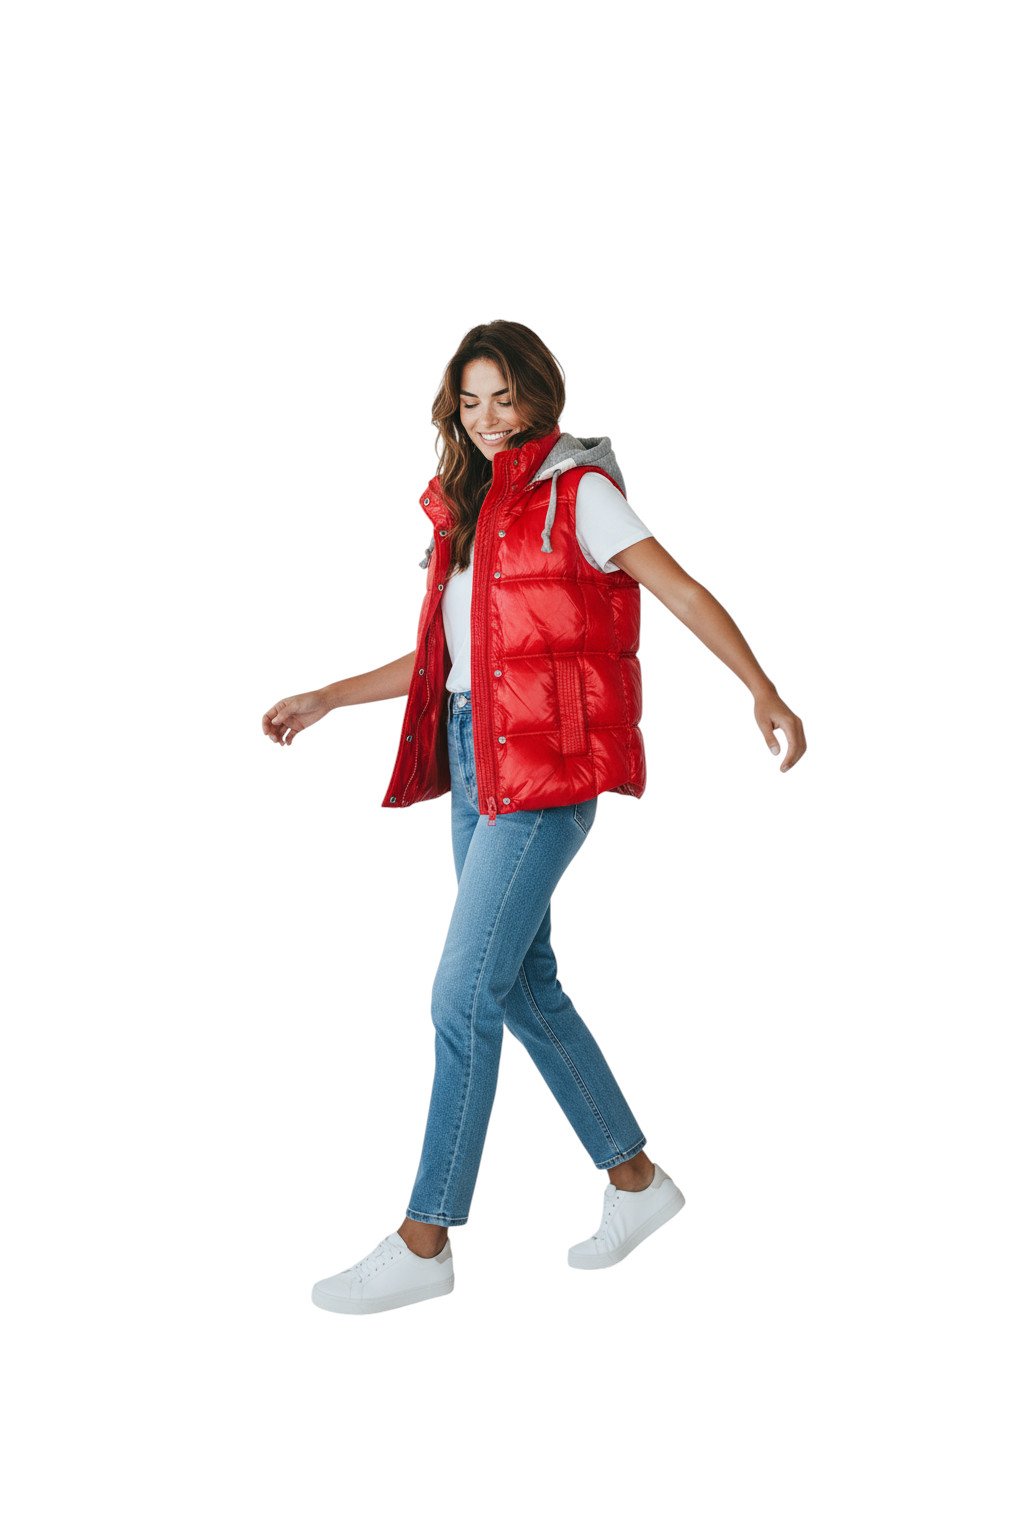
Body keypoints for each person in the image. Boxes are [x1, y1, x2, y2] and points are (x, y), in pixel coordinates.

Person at [262, 320, 806, 1316]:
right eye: (469, 402)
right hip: (477, 761)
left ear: (538, 398)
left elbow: (680, 590)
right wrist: (328, 696)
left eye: (502, 399)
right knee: (519, 985)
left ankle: (425, 1239)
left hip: (550, 773)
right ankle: (635, 1181)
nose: (485, 419)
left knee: (460, 992)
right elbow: (449, 658)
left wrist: (760, 688)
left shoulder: (578, 493)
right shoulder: (472, 513)